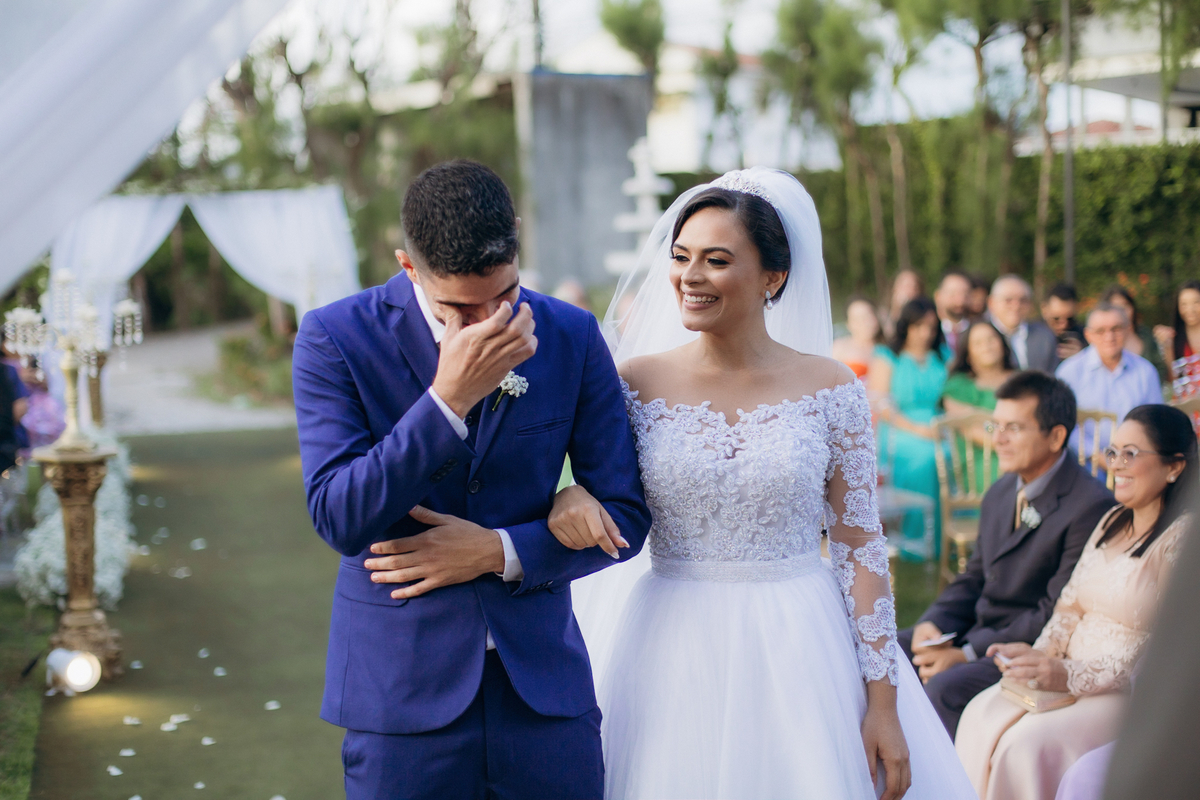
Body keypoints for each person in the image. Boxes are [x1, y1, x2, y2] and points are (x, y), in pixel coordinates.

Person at [550, 168, 975, 799]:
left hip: (798, 641)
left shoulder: (832, 387)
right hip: (671, 643)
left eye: (717, 260)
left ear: (773, 277)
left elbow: (860, 547)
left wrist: (883, 701)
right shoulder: (633, 381)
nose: (690, 276)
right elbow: (600, 490)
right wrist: (570, 494)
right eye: (681, 257)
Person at [293, 160, 652, 799]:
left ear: (516, 236)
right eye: (460, 307)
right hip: (401, 697)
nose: (490, 320)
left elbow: (624, 512)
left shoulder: (571, 334)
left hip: (544, 692)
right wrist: (447, 401)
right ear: (409, 266)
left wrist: (499, 551)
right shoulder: (335, 338)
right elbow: (339, 517)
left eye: (505, 294)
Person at [956, 404, 1195, 800]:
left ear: (1174, 467)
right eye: (1113, 452)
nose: (1115, 464)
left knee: (1023, 745)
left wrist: (1070, 674)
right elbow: (1069, 607)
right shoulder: (1111, 520)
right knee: (979, 713)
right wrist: (1040, 657)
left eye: (1131, 453)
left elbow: (1164, 650)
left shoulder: (1182, 540)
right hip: (1062, 675)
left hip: (1120, 694)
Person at [898, 372, 1113, 738]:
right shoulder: (1000, 491)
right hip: (975, 629)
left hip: (1027, 647)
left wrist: (966, 654)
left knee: (945, 688)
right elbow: (974, 576)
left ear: (1056, 436)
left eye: (1013, 428)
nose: (997, 439)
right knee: (890, 653)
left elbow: (1054, 609)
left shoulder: (1090, 506)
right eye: (995, 426)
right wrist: (931, 624)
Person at [871, 297, 948, 554]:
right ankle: (917, 540)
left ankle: (948, 535)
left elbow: (951, 397)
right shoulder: (887, 356)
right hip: (899, 429)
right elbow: (882, 405)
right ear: (906, 326)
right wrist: (918, 429)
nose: (925, 333)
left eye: (931, 327)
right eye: (918, 326)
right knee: (926, 458)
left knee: (951, 455)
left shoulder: (943, 355)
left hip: (939, 426)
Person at [1056, 303, 1163, 455]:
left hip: (1134, 458)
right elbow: (1063, 424)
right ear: (1088, 335)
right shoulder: (1069, 372)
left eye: (1116, 329)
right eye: (1100, 331)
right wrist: (1098, 456)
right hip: (1082, 462)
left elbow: (1155, 423)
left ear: (1128, 330)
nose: (1109, 337)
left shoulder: (1145, 371)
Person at [942, 319, 1017, 491]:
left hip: (1023, 451)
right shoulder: (958, 387)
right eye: (978, 343)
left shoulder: (1023, 381)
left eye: (991, 339)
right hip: (982, 459)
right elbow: (973, 430)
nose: (987, 346)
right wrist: (1016, 448)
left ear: (1002, 343)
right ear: (967, 353)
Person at [985, 274, 1059, 373]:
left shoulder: (1044, 337)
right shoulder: (978, 338)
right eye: (1008, 300)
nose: (1016, 306)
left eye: (1023, 300)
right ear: (991, 303)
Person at [1099, 285, 1165, 378]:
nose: (1122, 310)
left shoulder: (1146, 334)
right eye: (1116, 307)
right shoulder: (1103, 340)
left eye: (1125, 305)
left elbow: (1161, 369)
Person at [1152, 280, 1200, 382]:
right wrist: (1167, 347)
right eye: (1184, 304)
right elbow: (1173, 379)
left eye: (1196, 302)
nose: (1190, 309)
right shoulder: (1173, 338)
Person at [832, 295, 883, 380]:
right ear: (848, 324)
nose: (865, 323)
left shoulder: (885, 349)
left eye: (868, 316)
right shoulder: (839, 348)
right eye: (858, 319)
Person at [1041, 283, 1086, 361]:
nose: (1064, 325)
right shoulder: (1031, 335)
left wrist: (1082, 355)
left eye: (1070, 319)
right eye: (1056, 319)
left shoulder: (1084, 335)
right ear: (1044, 310)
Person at [934, 271, 973, 354]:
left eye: (965, 295)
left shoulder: (979, 330)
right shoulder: (930, 331)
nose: (960, 301)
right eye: (952, 294)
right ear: (938, 296)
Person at [883, 268, 925, 340]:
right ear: (894, 289)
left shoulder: (925, 319)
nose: (909, 291)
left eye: (914, 287)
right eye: (905, 286)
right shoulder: (882, 316)